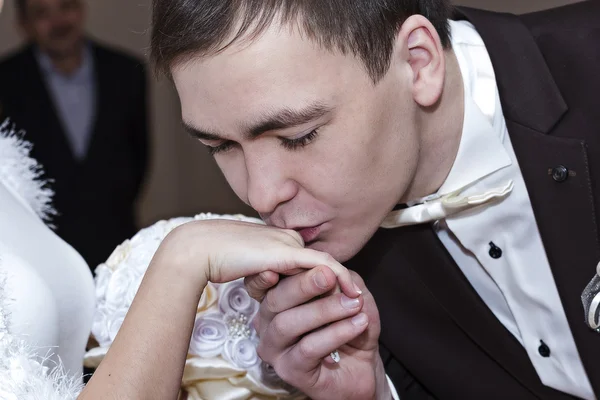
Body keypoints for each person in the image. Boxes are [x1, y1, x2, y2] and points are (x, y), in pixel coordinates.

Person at [141, 0, 600, 399]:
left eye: (299, 136)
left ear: (418, 63)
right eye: (220, 147)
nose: (260, 195)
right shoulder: (324, 286)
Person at [0, 0, 148, 270]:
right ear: (23, 24)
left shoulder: (126, 71)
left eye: (66, 7)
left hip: (116, 242)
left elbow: (139, 156)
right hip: (39, 252)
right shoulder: (5, 80)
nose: (58, 22)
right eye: (42, 13)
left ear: (81, 9)